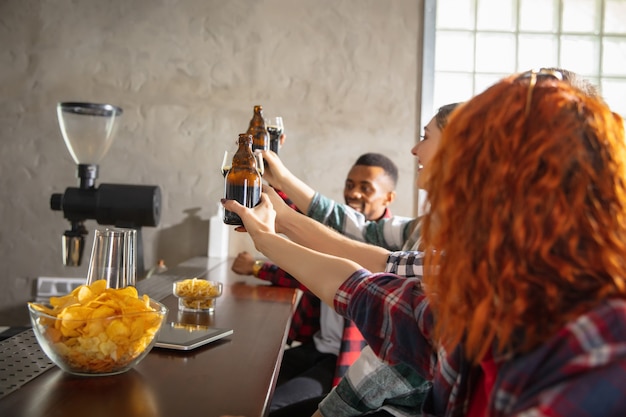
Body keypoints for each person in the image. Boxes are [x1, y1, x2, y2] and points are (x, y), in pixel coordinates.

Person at [222, 69, 626, 416]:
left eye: (471, 163)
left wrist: (273, 235)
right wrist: (270, 233)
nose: (418, 151)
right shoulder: (482, 291)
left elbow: (370, 262)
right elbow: (373, 291)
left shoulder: (594, 348)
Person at [236, 152, 399, 416]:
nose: (354, 193)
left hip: (343, 362)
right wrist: (274, 174)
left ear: (388, 197)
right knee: (242, 383)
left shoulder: (390, 249)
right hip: (315, 346)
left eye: (365, 188)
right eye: (349, 185)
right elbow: (300, 229)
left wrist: (256, 266)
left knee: (268, 407)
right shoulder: (341, 230)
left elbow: (319, 269)